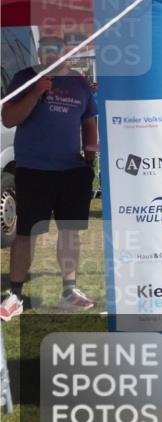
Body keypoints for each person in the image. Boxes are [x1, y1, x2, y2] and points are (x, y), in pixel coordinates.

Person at [1, 35, 99, 314]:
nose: (53, 55)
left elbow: (88, 122)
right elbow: (9, 119)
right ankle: (16, 295)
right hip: (34, 170)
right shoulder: (24, 78)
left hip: (72, 171)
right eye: (47, 50)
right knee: (26, 233)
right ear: (40, 52)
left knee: (70, 233)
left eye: (59, 50)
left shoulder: (79, 83)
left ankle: (69, 290)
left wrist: (88, 160)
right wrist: (36, 91)